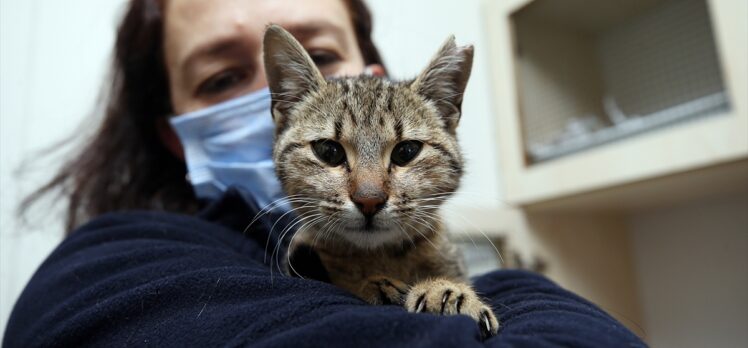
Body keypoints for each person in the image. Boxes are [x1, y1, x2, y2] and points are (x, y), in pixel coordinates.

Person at [4, 0, 645, 347]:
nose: (369, 192)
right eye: (222, 78)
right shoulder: (110, 264)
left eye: (323, 54)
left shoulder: (467, 260)